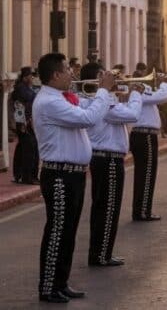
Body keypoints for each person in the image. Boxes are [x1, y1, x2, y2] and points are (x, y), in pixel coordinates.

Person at [33, 53, 116, 303]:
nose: (73, 73)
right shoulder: (49, 101)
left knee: (68, 231)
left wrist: (104, 94)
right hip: (59, 175)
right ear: (56, 75)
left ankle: (61, 282)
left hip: (73, 174)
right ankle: (48, 286)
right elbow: (88, 118)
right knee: (58, 231)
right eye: (68, 69)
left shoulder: (61, 98)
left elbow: (88, 112)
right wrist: (103, 91)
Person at [81, 62, 142, 268]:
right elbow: (133, 114)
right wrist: (135, 94)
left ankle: (101, 252)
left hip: (105, 158)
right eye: (103, 75)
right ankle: (101, 254)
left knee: (104, 207)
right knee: (108, 208)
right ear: (96, 79)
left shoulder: (102, 101)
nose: (110, 78)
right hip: (107, 159)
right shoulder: (101, 102)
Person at [131, 76, 167, 221]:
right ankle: (143, 211)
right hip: (145, 136)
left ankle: (141, 209)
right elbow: (163, 96)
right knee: (147, 175)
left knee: (144, 175)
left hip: (145, 136)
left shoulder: (143, 93)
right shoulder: (140, 91)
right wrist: (165, 83)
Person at [10, 66, 39, 184]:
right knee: (29, 149)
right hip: (23, 123)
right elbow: (21, 105)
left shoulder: (27, 88)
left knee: (24, 148)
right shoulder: (21, 89)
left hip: (28, 122)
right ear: (25, 77)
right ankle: (27, 177)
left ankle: (21, 175)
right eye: (30, 76)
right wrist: (22, 123)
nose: (32, 78)